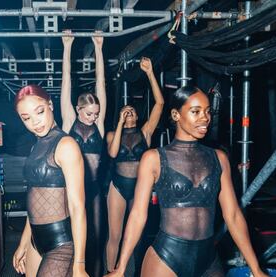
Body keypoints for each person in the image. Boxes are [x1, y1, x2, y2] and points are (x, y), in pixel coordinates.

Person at [105, 86, 268, 277]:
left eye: (208, 111)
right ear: (176, 115)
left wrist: (256, 269)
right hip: (167, 256)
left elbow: (232, 215)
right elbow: (138, 215)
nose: (205, 118)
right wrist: (121, 267)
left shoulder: (219, 158)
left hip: (208, 257)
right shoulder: (154, 158)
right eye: (195, 112)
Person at [13, 85, 88, 277]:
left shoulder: (66, 145)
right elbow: (35, 202)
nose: (34, 122)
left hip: (60, 244)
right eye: (26, 118)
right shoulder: (35, 146)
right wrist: (23, 243)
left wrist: (79, 264)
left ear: (50, 105)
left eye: (39, 112)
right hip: (35, 240)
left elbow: (78, 207)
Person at [105, 57, 164, 274]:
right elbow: (112, 153)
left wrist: (150, 74)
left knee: (136, 236)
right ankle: (111, 271)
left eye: (133, 111)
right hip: (118, 187)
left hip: (139, 188)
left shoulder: (145, 132)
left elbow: (160, 104)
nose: (130, 112)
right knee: (115, 236)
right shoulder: (113, 133)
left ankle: (132, 271)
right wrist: (120, 123)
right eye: (125, 111)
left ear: (138, 116)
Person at [61, 31, 106, 277]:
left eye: (96, 113)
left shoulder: (98, 125)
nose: (94, 117)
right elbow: (66, 81)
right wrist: (67, 46)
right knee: (71, 242)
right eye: (89, 114)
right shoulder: (69, 120)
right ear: (78, 110)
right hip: (71, 192)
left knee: (96, 241)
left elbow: (101, 83)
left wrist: (98, 47)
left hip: (95, 191)